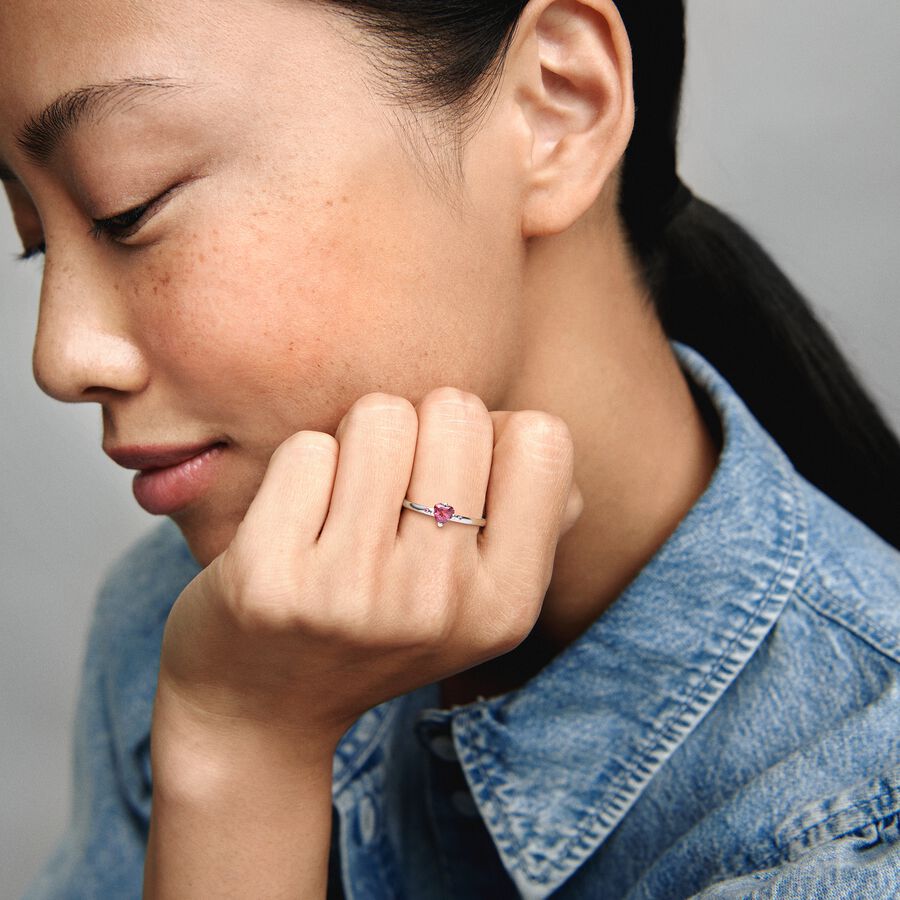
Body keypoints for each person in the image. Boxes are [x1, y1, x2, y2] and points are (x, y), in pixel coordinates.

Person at [2, 0, 898, 897]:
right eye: (37, 242)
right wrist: (235, 747)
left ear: (557, 104)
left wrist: (242, 751)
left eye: (129, 206)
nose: (61, 356)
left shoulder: (853, 825)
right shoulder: (198, 627)